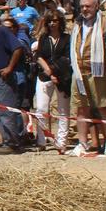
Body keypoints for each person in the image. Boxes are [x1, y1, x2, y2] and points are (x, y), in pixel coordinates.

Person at [69, 0, 106, 157]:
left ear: (96, 6)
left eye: (88, 6)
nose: (84, 9)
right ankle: (82, 143)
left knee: (104, 106)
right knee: (81, 108)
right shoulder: (77, 23)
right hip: (79, 71)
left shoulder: (104, 23)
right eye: (82, 6)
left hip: (97, 70)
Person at [0, 13, 28, 154]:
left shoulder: (3, 31)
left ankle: (12, 143)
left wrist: (10, 68)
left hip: (4, 78)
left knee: (6, 111)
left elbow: (18, 48)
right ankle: (7, 141)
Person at [33, 11, 71, 153]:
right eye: (50, 21)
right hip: (44, 76)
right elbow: (39, 56)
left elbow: (66, 58)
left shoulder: (67, 38)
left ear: (60, 22)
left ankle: (61, 142)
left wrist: (55, 73)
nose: (52, 23)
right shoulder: (43, 38)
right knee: (41, 109)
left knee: (63, 110)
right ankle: (41, 140)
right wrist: (48, 71)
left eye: (55, 21)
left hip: (62, 77)